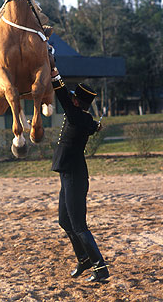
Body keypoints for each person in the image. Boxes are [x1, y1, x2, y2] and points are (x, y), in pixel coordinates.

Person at [50, 61, 109, 283]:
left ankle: (100, 268)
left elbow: (62, 95)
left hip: (74, 177)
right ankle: (84, 259)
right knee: (64, 222)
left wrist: (56, 75)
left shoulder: (77, 116)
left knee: (79, 226)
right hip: (68, 175)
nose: (71, 98)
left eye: (74, 97)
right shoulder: (82, 118)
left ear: (77, 101)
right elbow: (91, 125)